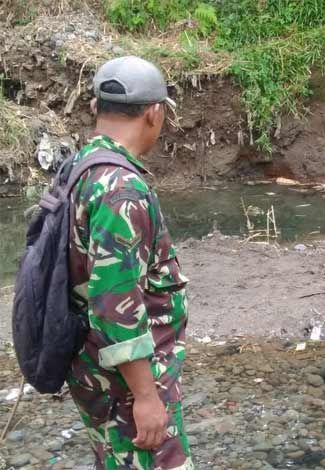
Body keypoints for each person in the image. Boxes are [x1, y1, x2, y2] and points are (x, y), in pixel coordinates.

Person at [66, 56, 193, 469]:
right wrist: (145, 397)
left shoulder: (80, 169)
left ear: (95, 108)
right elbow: (114, 305)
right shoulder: (123, 190)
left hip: (92, 371)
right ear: (155, 113)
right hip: (124, 383)